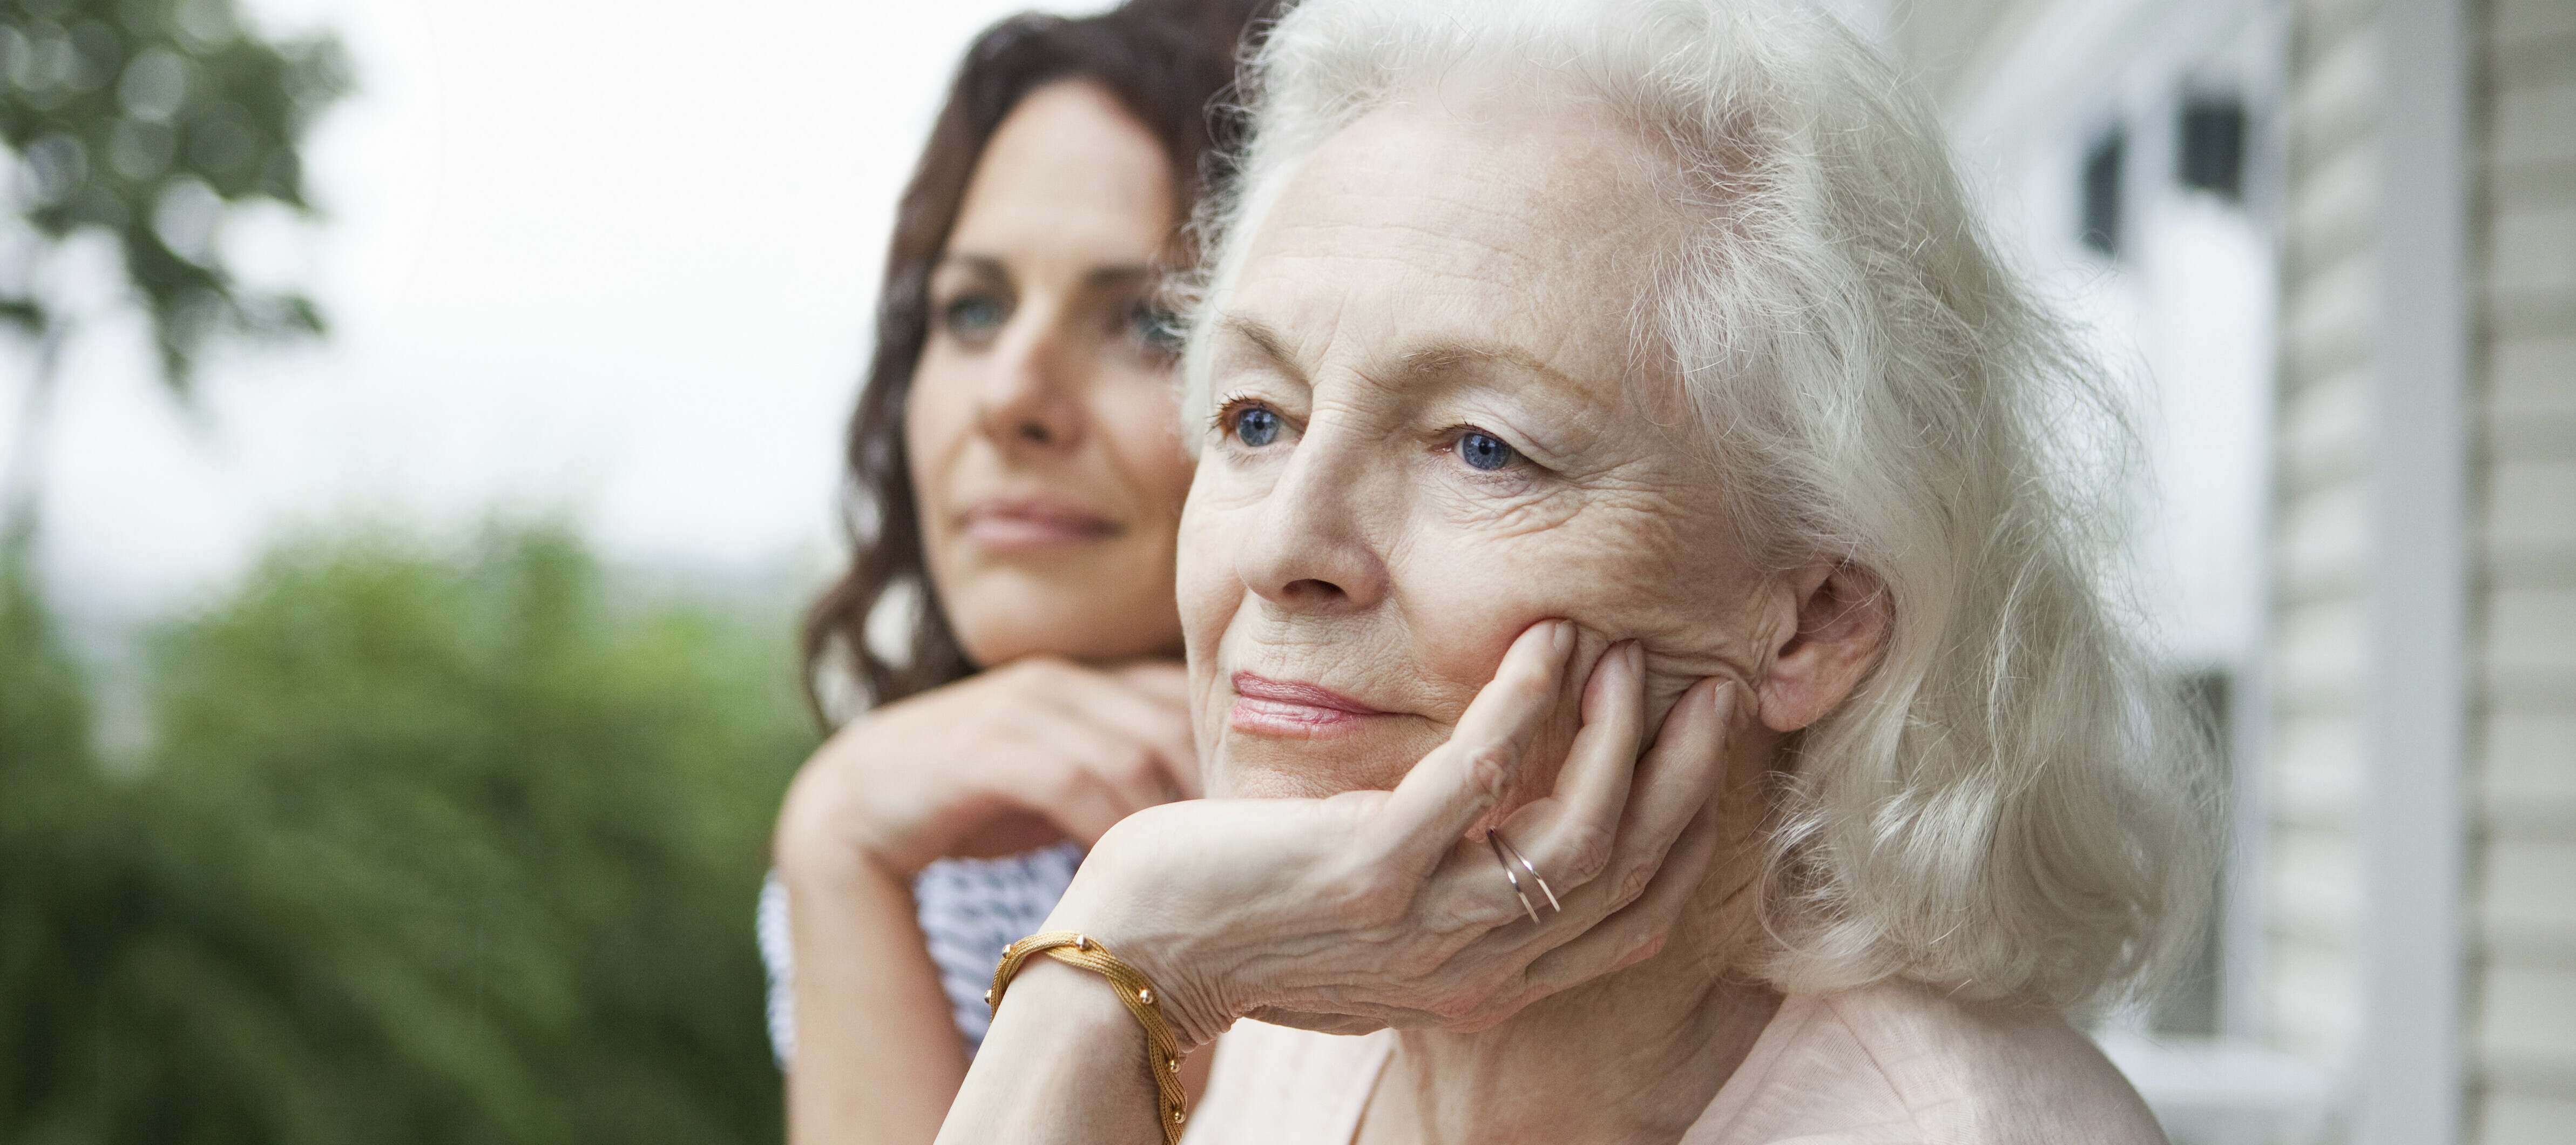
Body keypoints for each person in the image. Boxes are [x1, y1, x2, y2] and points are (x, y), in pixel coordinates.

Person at [932, 0, 2217, 1141]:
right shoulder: (1297, 1021)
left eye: (1482, 448)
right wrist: (1113, 959)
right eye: (1257, 419)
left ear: (1813, 619)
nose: (1282, 549)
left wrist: (1110, 972)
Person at [763, 3, 1277, 1142]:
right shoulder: (933, 850)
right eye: (975, 309)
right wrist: (836, 844)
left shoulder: (1493, 869)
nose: (1009, 396)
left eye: (1148, 322)